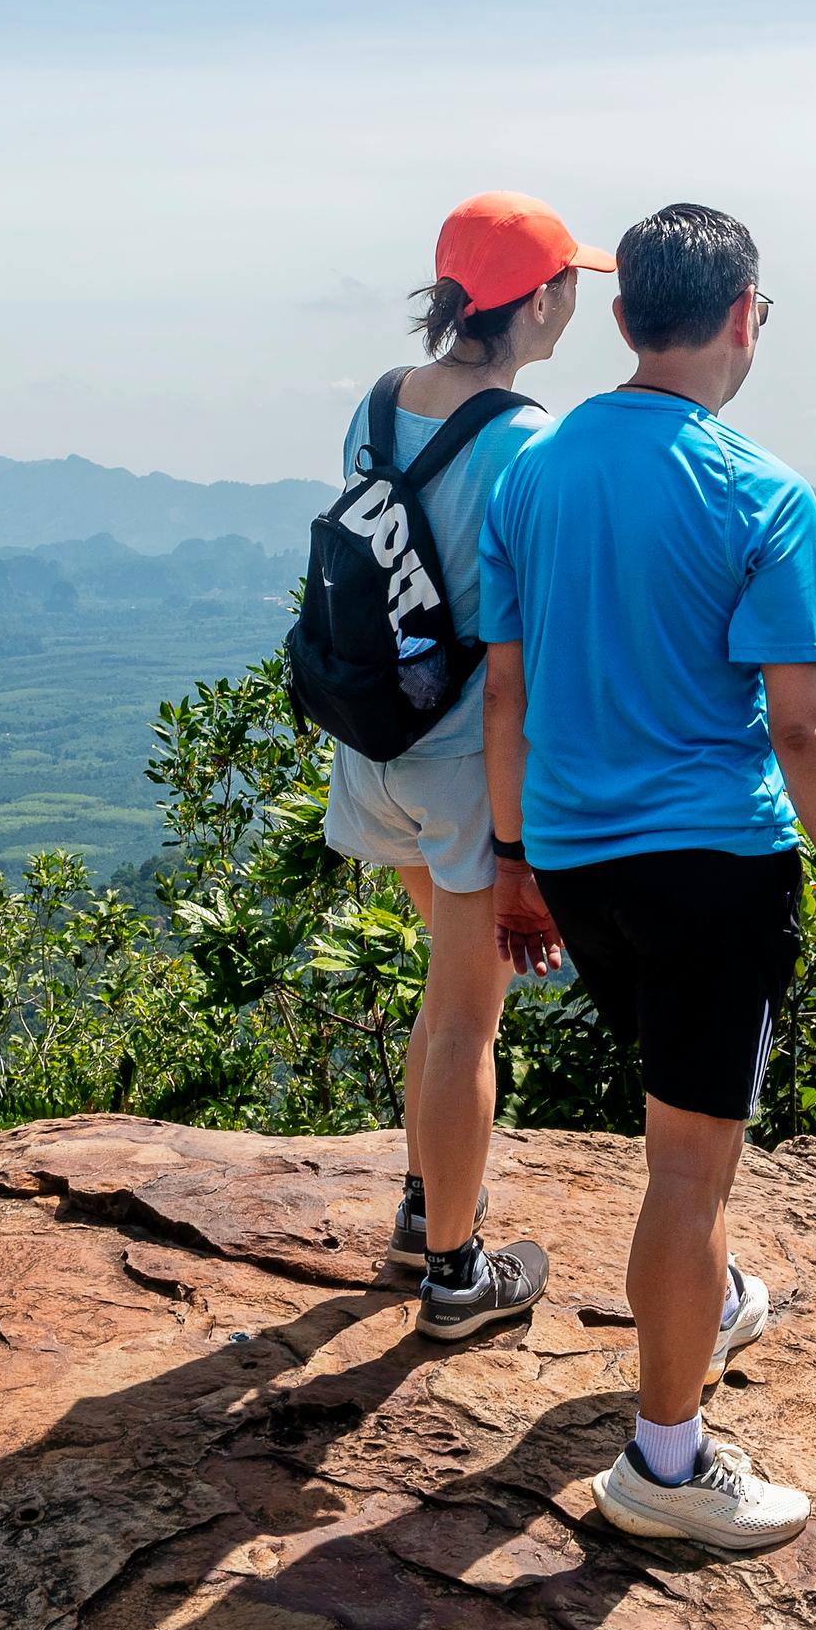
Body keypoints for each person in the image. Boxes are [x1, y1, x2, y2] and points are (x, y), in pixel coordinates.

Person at [478, 202, 816, 1549]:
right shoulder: (760, 491)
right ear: (739, 317)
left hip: (577, 860)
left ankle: (700, 1303)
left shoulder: (529, 475)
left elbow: (507, 689)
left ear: (619, 319)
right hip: (712, 863)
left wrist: (511, 865)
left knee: (681, 1145)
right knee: (686, 1171)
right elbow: (799, 725)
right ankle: (662, 1465)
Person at [322, 190, 614, 1340]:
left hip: (375, 739)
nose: (578, 299)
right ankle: (454, 1271)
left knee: (447, 1004)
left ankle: (422, 1201)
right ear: (539, 298)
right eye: (570, 282)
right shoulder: (531, 441)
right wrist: (518, 844)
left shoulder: (379, 398)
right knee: (466, 1023)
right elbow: (514, 669)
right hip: (464, 768)